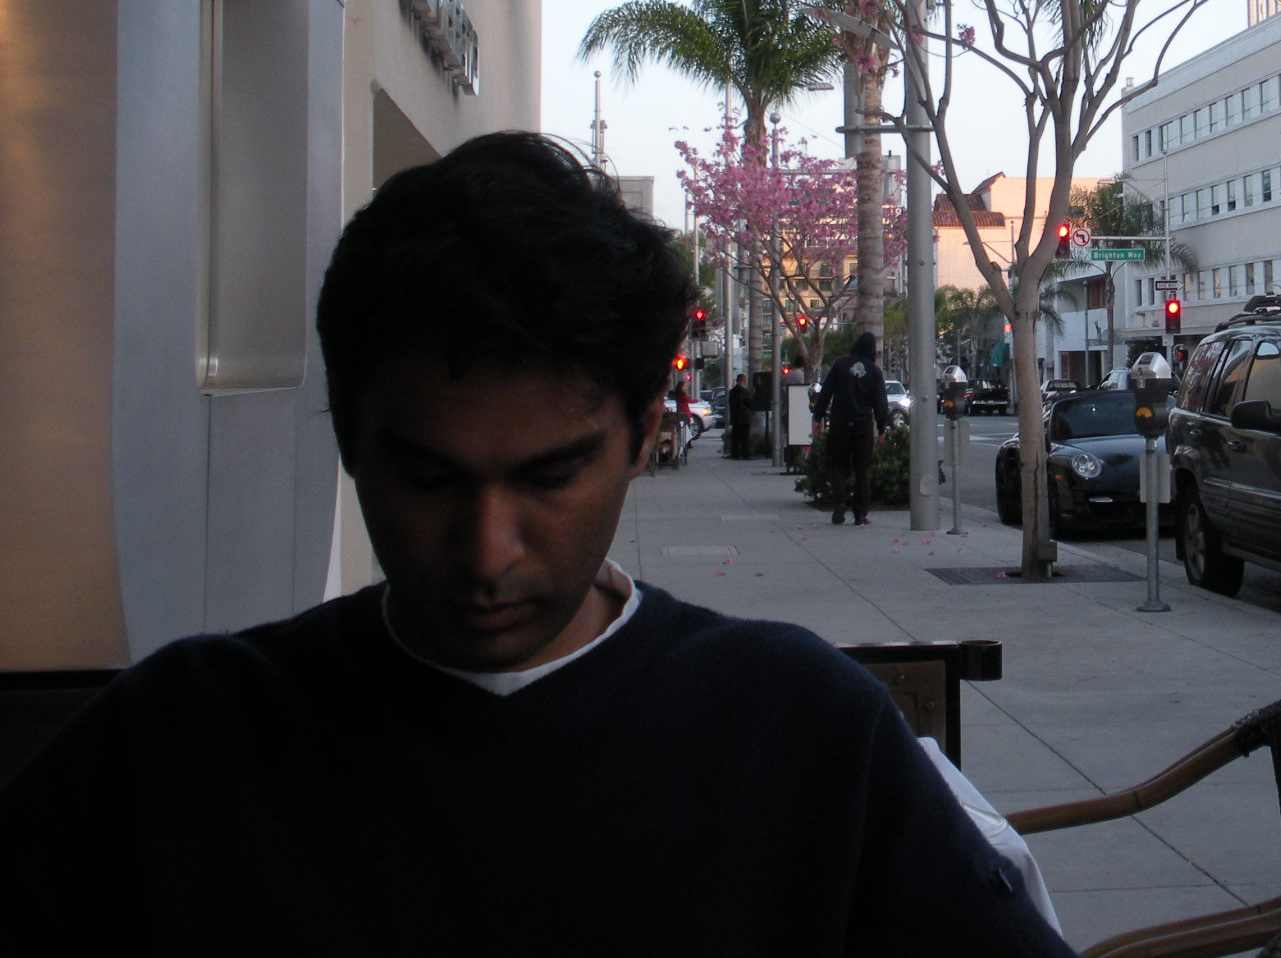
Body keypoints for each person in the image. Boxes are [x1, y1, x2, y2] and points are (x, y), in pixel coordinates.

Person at [0, 133, 1071, 957]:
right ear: (348, 440)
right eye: (428, 478)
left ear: (644, 436)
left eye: (549, 476)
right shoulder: (174, 752)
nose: (485, 552)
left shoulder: (805, 741)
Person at [813, 330, 889, 526]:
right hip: (862, 427)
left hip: (839, 424)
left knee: (838, 465)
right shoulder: (874, 371)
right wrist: (882, 428)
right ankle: (860, 513)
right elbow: (881, 403)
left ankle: (839, 504)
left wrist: (818, 417)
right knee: (863, 470)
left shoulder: (840, 364)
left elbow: (826, 392)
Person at [725, 375, 754, 459]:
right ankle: (745, 454)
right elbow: (750, 403)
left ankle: (735, 454)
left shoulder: (732, 391)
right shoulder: (745, 391)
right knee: (745, 437)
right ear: (744, 381)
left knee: (735, 437)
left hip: (735, 417)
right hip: (744, 418)